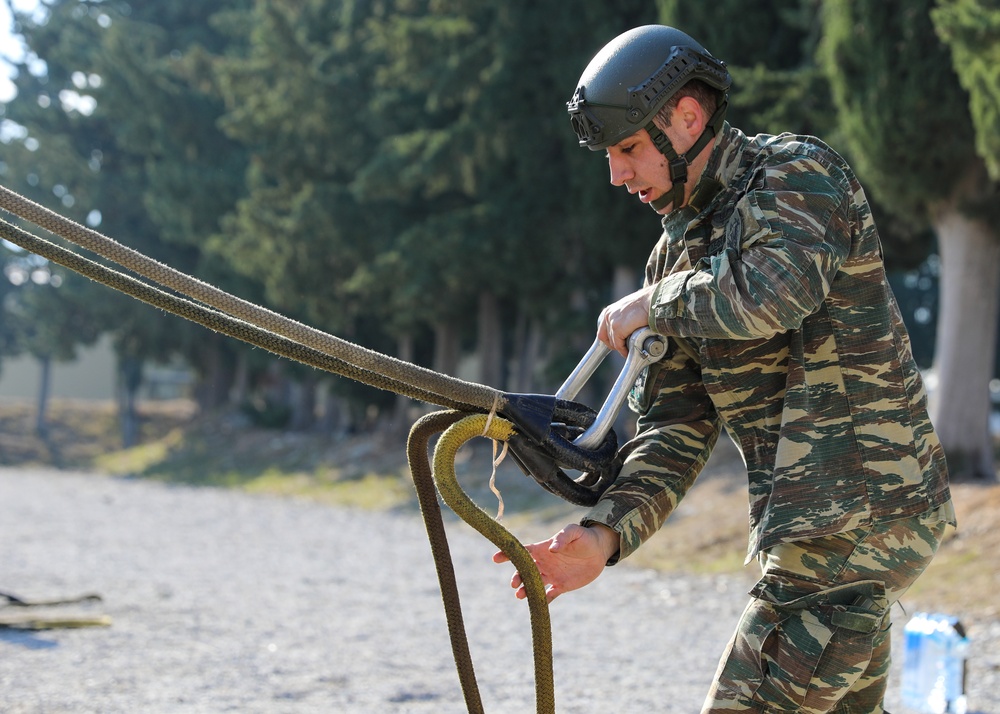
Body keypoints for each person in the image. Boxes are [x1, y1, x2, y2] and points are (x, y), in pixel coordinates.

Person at [493, 25, 955, 713]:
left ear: (687, 118)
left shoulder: (796, 176)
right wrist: (604, 533)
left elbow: (771, 292)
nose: (617, 175)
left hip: (856, 522)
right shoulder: (670, 262)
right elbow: (676, 424)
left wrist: (655, 303)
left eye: (627, 149)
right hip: (818, 537)